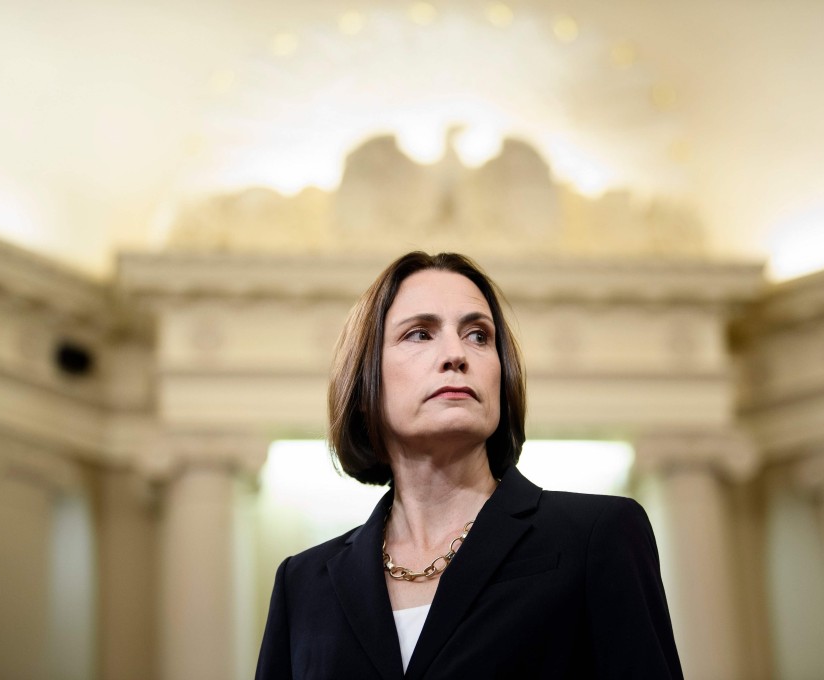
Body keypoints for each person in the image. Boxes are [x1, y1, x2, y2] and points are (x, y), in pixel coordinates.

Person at [255, 252, 682, 679]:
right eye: (420, 334)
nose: (456, 355)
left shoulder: (597, 536)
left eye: (478, 335)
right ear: (367, 376)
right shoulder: (304, 583)